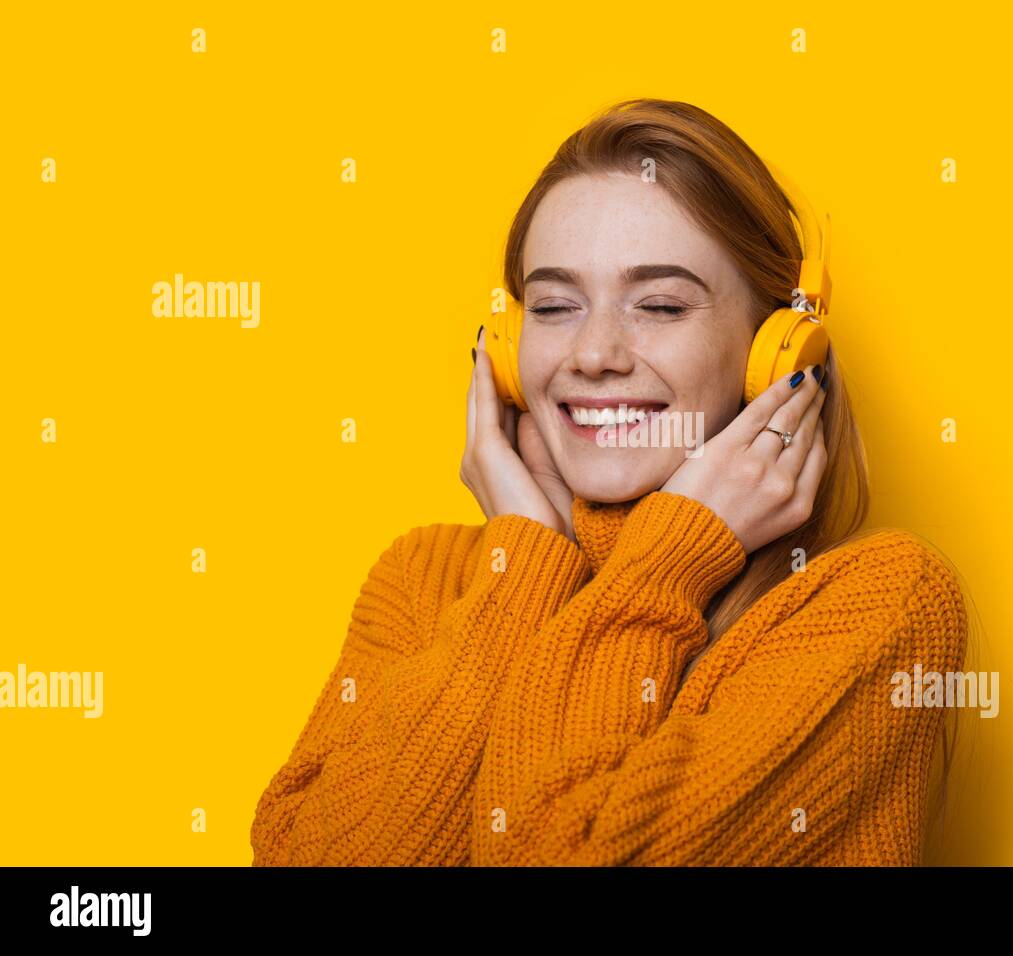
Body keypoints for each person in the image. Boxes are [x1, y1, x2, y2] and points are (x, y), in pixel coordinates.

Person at [250, 98, 969, 866]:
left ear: (778, 350)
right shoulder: (425, 580)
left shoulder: (875, 609)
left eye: (659, 305)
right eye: (555, 306)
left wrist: (671, 559)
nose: (593, 354)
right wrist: (523, 563)